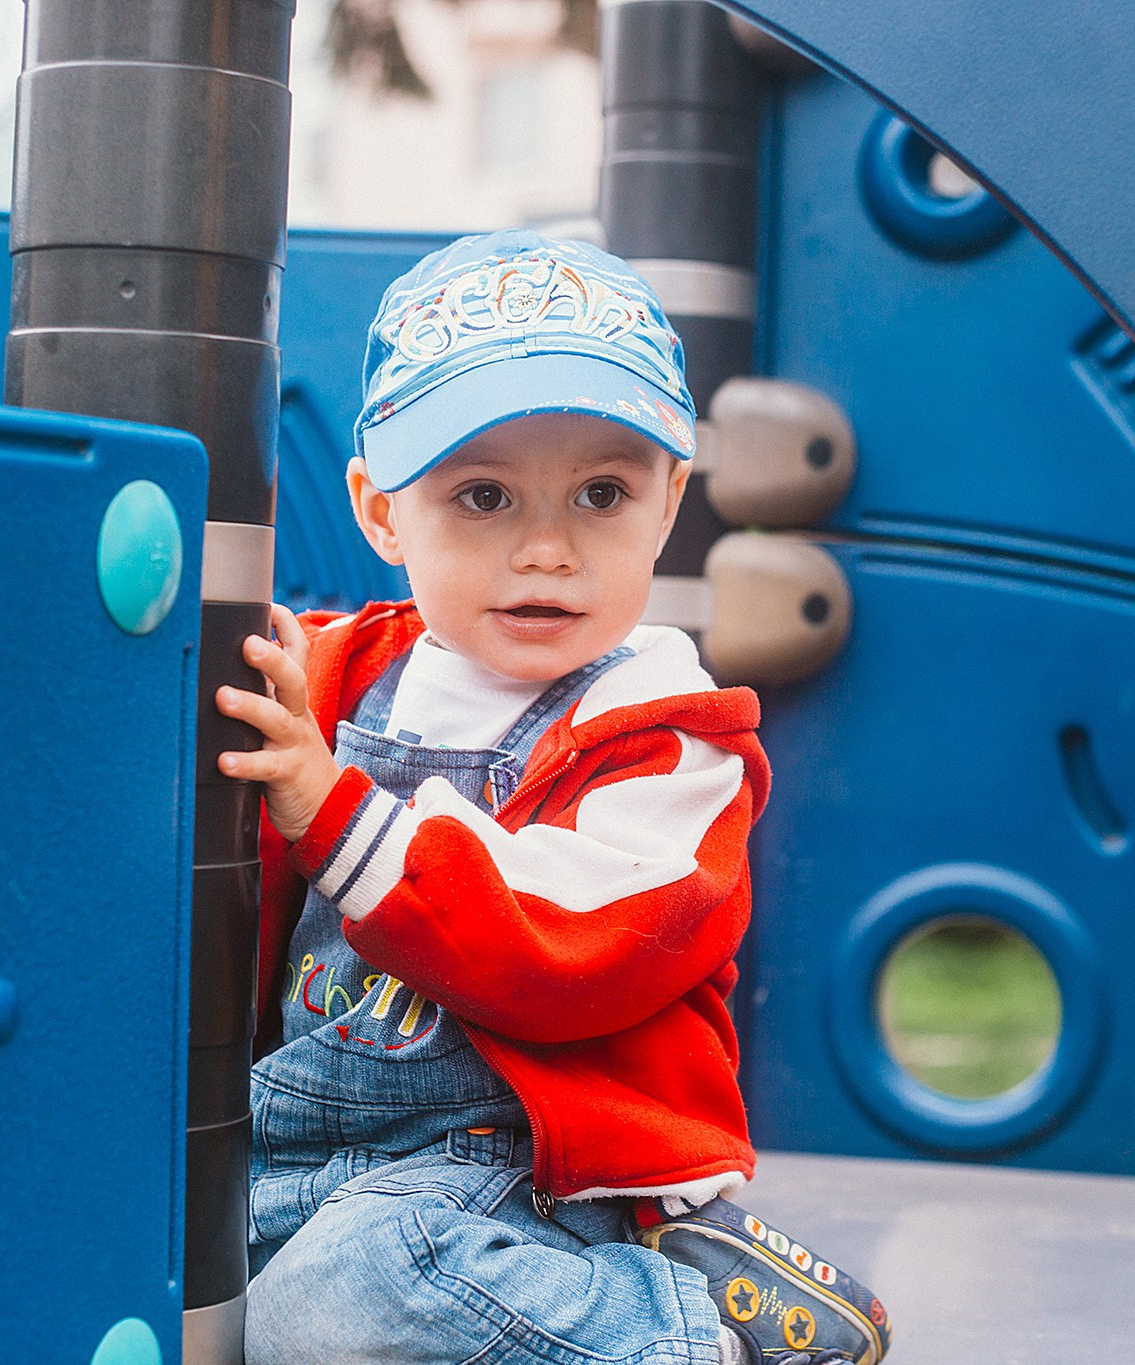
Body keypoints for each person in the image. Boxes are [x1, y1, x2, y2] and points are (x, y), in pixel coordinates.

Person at [216, 230, 891, 1365]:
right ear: (380, 511)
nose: (546, 549)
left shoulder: (668, 730)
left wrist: (335, 818)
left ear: (671, 502)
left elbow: (576, 941)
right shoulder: (334, 680)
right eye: (482, 495)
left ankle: (689, 1332)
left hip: (539, 1176)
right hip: (295, 1152)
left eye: (600, 493)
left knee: (339, 1301)